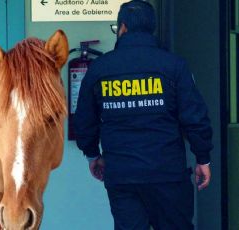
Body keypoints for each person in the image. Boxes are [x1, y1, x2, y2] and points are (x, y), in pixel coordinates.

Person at [74, 1, 213, 229]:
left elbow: (84, 120)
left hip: (122, 175)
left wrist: (92, 155)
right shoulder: (174, 66)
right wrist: (203, 158)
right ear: (151, 29)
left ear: (123, 28)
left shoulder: (100, 68)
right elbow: (194, 117)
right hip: (167, 174)